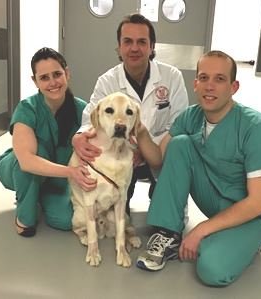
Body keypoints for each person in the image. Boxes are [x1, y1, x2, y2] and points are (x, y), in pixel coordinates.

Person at [136, 50, 261, 287]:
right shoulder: (189, 117)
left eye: (219, 79)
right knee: (179, 144)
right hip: (218, 194)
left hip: (256, 213)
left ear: (234, 86)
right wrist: (141, 131)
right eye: (204, 78)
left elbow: (259, 203)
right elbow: (159, 161)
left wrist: (200, 230)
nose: (210, 86)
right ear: (195, 84)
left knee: (212, 268)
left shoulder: (258, 129)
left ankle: (247, 241)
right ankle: (168, 233)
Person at [72, 13, 189, 215]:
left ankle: (160, 197)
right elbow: (89, 121)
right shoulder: (107, 81)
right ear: (119, 47)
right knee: (116, 217)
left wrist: (145, 150)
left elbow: (178, 126)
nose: (134, 48)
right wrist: (78, 137)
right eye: (128, 41)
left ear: (152, 47)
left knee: (164, 216)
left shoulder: (172, 77)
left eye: (142, 42)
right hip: (123, 154)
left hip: (161, 155)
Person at [0, 47, 97, 237]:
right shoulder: (27, 109)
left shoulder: (83, 110)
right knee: (37, 154)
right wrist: (70, 172)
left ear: (67, 73)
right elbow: (26, 161)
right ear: (35, 81)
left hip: (57, 177)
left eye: (57, 74)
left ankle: (38, 194)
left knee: (67, 220)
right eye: (44, 78)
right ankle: (24, 218)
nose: (52, 83)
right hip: (18, 169)